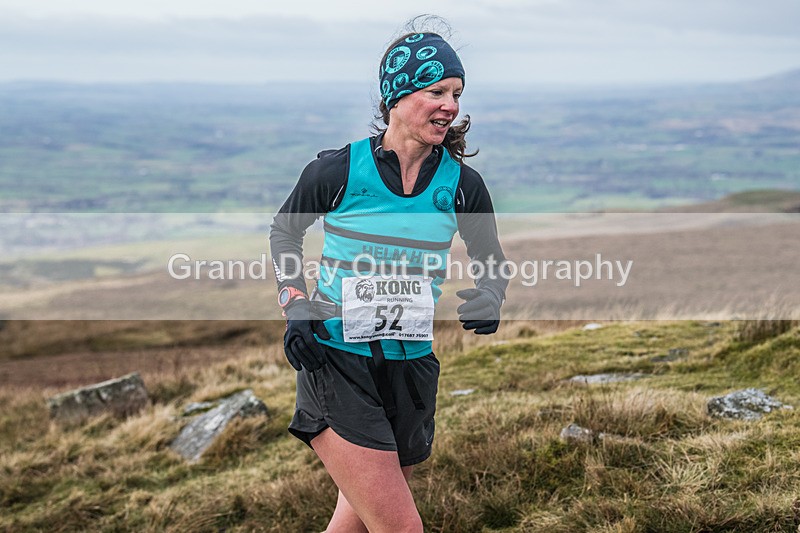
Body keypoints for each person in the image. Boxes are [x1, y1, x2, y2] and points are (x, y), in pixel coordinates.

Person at [269, 20, 507, 532]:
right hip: (337, 362)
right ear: (396, 96)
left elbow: (491, 259)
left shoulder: (463, 185)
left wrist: (492, 295)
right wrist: (296, 307)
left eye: (457, 93)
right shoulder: (336, 172)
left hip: (411, 370)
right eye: (436, 91)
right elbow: (284, 235)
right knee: (401, 527)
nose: (450, 105)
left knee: (354, 520)